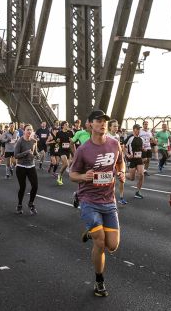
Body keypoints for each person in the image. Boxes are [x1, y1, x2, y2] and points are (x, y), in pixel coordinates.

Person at [70, 109, 125, 297]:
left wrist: (122, 172)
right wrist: (83, 176)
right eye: (98, 121)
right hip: (89, 200)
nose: (103, 124)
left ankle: (89, 231)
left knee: (112, 246)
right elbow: (72, 175)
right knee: (100, 242)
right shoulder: (83, 150)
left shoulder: (114, 144)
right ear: (90, 124)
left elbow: (120, 163)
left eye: (105, 121)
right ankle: (99, 281)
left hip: (109, 200)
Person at [14, 124, 38, 215]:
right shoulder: (20, 142)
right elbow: (16, 155)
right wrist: (26, 152)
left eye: (31, 130)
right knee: (22, 187)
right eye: (28, 130)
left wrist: (37, 155)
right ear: (24, 131)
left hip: (31, 166)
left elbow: (35, 153)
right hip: (21, 167)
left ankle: (31, 203)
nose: (29, 131)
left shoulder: (34, 141)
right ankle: (19, 205)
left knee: (35, 186)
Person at [108, 119, 127, 205]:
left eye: (117, 126)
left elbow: (119, 147)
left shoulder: (117, 136)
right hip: (109, 160)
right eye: (114, 126)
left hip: (118, 160)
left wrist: (122, 155)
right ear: (110, 127)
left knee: (122, 178)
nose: (116, 128)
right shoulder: (106, 136)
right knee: (110, 180)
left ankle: (121, 197)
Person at [124, 124, 144, 199]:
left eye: (139, 129)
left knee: (141, 174)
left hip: (139, 159)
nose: (139, 130)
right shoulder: (130, 138)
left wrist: (143, 150)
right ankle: (123, 174)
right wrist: (127, 155)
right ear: (134, 129)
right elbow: (123, 147)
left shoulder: (141, 139)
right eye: (137, 129)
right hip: (132, 159)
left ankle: (138, 192)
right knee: (132, 178)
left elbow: (142, 148)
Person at [56, 121, 73, 185]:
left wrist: (71, 141)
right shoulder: (59, 133)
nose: (67, 125)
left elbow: (73, 141)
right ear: (62, 126)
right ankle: (59, 176)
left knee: (66, 165)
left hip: (68, 150)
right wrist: (57, 141)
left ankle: (60, 175)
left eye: (68, 124)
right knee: (66, 164)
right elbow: (57, 141)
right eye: (66, 124)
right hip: (61, 150)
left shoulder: (70, 132)